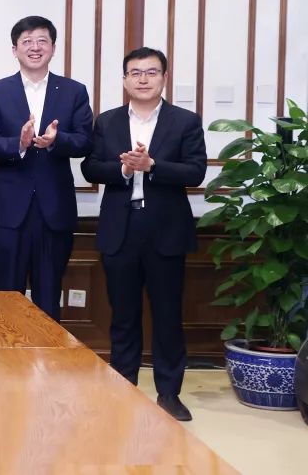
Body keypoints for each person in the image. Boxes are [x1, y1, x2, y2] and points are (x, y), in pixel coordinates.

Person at [81, 47, 206, 422]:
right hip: (121, 228)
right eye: (135, 73)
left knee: (168, 315)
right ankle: (124, 390)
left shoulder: (185, 121)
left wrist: (152, 165)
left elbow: (196, 171)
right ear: (124, 80)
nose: (143, 79)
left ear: (164, 78)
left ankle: (169, 394)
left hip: (165, 229)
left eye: (151, 72)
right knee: (123, 316)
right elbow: (90, 167)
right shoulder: (108, 121)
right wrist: (122, 170)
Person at [0, 16, 93, 321]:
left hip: (54, 209)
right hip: (8, 211)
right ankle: (6, 352)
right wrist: (18, 143)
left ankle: (48, 353)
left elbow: (85, 141)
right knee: (6, 297)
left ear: (53, 48)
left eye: (42, 40)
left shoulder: (73, 91)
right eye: (26, 41)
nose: (35, 47)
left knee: (49, 296)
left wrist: (57, 141)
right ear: (14, 49)